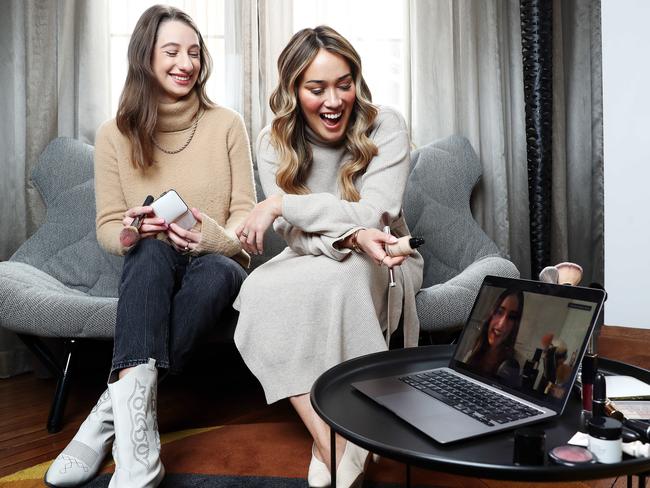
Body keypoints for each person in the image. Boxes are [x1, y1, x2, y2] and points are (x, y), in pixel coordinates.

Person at [45, 5, 255, 487]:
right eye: (172, 52)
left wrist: (213, 236)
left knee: (221, 272)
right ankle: (139, 457)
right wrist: (130, 234)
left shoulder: (227, 124)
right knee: (150, 250)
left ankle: (104, 413)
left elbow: (244, 213)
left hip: (214, 259)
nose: (187, 63)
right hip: (151, 260)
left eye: (195, 53)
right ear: (145, 57)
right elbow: (107, 224)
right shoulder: (113, 134)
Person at [233, 26, 423, 488]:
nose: (334, 101)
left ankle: (350, 433)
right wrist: (344, 238)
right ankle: (331, 444)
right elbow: (294, 237)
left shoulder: (387, 125)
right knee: (256, 287)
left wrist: (282, 203)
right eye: (316, 89)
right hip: (309, 254)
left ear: (357, 80)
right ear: (294, 90)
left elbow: (373, 215)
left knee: (345, 277)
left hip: (386, 254)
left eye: (344, 83)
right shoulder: (272, 140)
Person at [464, 289, 524, 386]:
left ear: (515, 325)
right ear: (491, 314)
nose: (501, 325)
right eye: (499, 312)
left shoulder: (517, 364)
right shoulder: (472, 353)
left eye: (511, 317)